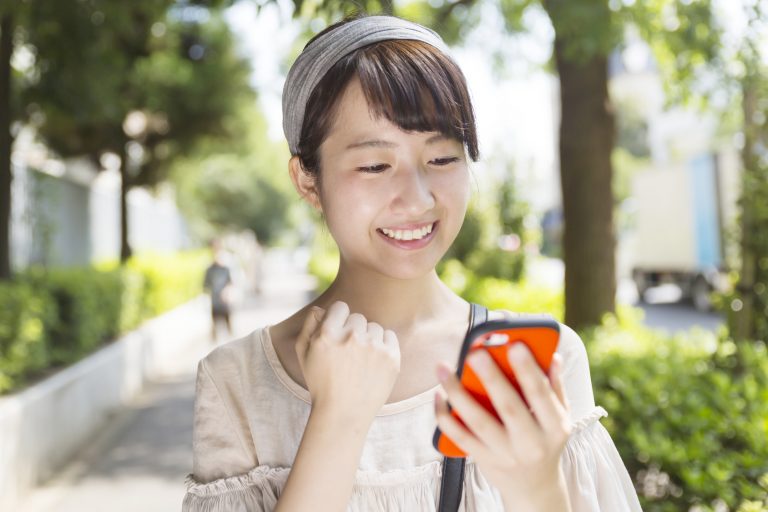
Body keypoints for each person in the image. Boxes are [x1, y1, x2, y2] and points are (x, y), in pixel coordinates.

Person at [183, 14, 642, 511]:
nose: (417, 198)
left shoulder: (538, 365)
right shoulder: (238, 383)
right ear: (307, 180)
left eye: (442, 158)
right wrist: (337, 420)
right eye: (375, 165)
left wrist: (538, 489)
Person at [203, 239, 234, 342]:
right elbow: (205, 285)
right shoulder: (209, 269)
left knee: (228, 321)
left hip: (224, 300)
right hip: (214, 300)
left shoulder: (226, 268)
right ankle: (214, 338)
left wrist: (227, 292)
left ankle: (230, 338)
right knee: (215, 322)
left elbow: (230, 282)